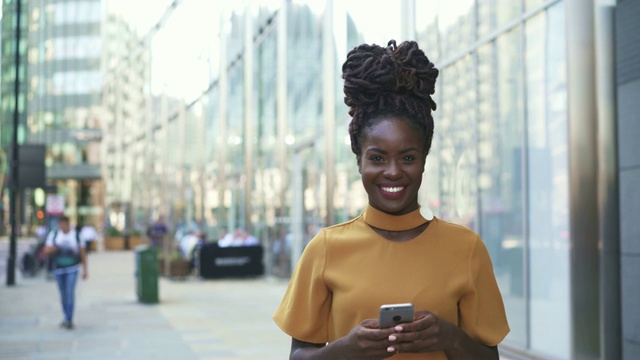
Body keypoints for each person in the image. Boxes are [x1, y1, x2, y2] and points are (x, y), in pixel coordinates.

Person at [273, 40, 509, 359]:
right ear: (360, 162)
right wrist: (347, 347)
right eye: (378, 158)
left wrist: (450, 338)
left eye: (408, 158)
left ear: (424, 160)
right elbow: (298, 356)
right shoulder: (325, 248)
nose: (393, 172)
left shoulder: (466, 249)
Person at [43, 216, 88, 330]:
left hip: (72, 268)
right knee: (63, 294)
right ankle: (66, 317)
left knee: (69, 292)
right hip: (58, 269)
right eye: (60, 224)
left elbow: (83, 253)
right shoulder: (54, 235)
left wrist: (85, 270)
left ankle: (69, 319)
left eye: (64, 224)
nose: (62, 226)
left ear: (68, 224)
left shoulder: (76, 235)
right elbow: (46, 251)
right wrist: (56, 246)